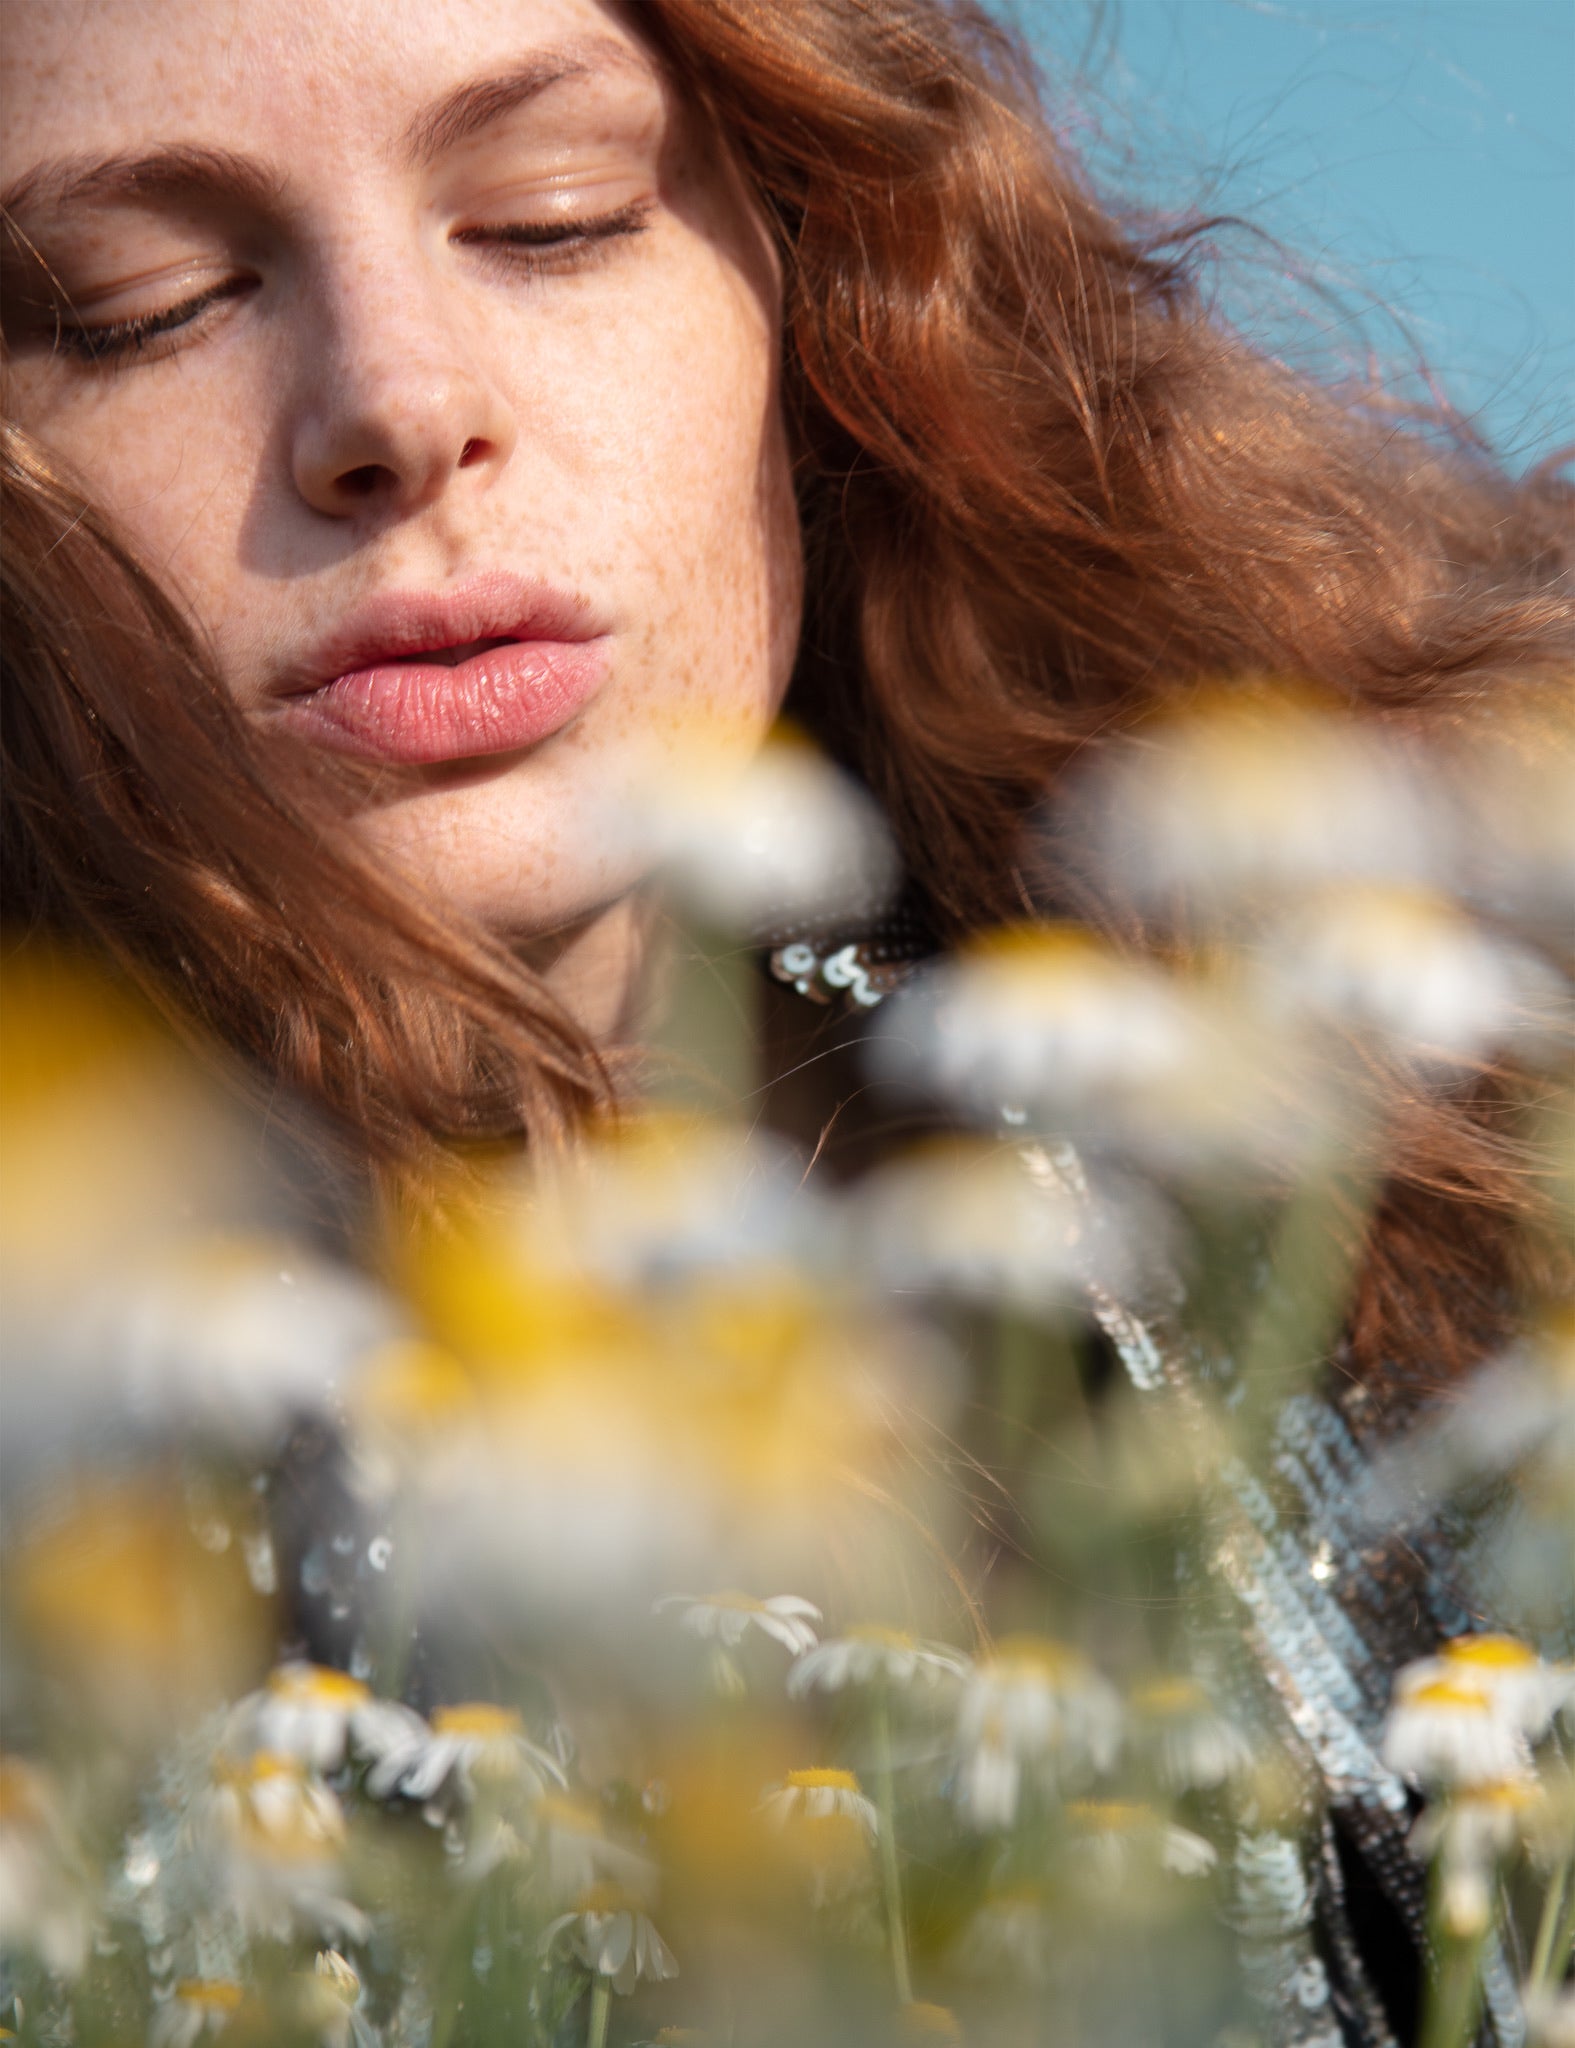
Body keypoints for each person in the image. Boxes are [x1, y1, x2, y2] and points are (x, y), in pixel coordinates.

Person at [2, 3, 1569, 2042]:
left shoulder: (1425, 1180)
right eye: (145, 304)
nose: (396, 406)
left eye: (554, 215)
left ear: (812, 286)